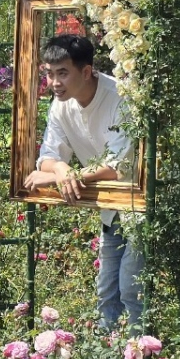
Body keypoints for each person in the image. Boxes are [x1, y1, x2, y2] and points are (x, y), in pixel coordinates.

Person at [21, 35, 143, 331]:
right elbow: (48, 157)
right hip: (111, 208)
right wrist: (62, 169)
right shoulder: (61, 106)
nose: (54, 82)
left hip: (141, 205)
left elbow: (117, 166)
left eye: (62, 73)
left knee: (132, 288)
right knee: (106, 292)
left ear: (86, 71)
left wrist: (64, 175)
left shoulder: (120, 97)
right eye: (49, 74)